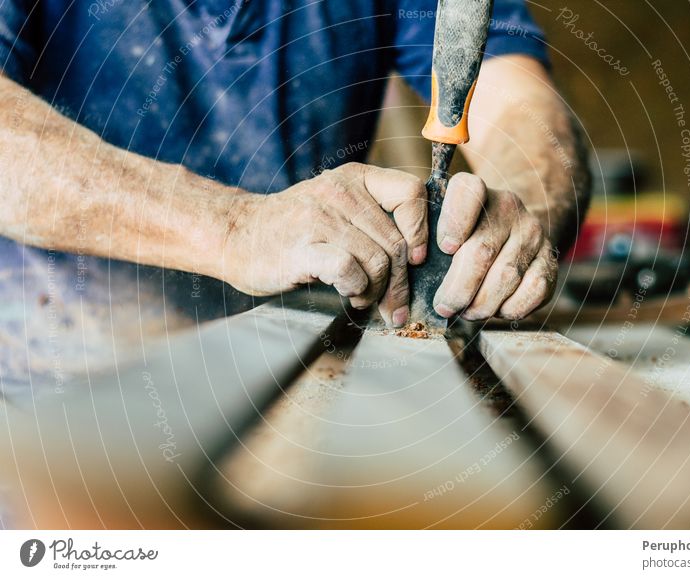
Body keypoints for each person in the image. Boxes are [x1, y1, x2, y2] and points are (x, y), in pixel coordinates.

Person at [0, 1, 589, 390]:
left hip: (312, 392)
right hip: (57, 395)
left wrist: (523, 217)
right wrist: (234, 227)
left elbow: (519, 106)